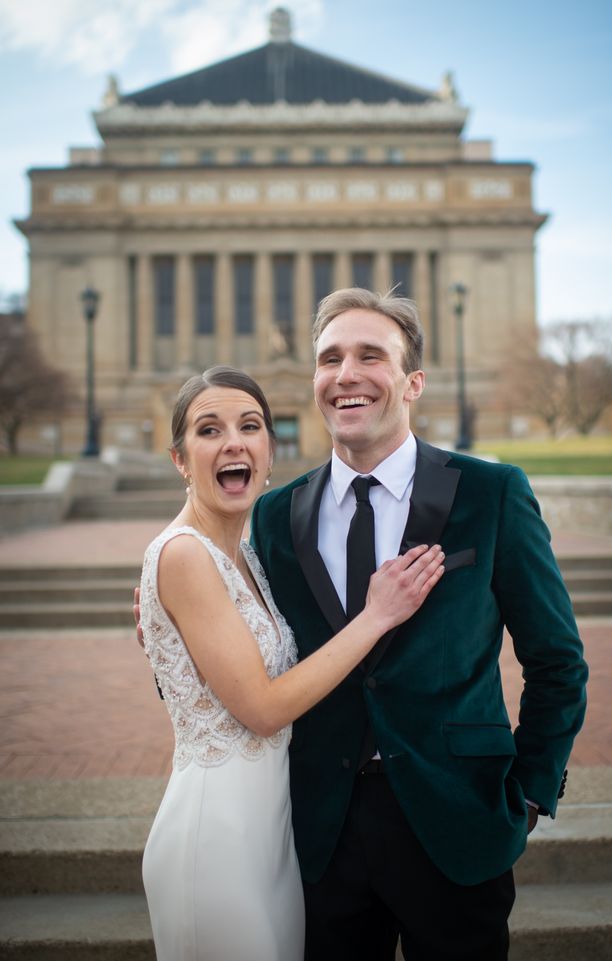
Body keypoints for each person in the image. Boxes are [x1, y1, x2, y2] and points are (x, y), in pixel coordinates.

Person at [249, 287, 588, 961]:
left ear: (413, 382)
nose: (346, 374)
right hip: (322, 831)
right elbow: (254, 659)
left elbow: (557, 661)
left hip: (458, 822)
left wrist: (527, 797)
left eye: (370, 355)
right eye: (330, 358)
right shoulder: (274, 515)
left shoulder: (491, 493)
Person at [137, 364, 445, 961]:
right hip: (218, 833)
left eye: (250, 425)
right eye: (208, 430)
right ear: (179, 459)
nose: (233, 441)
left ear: (269, 452)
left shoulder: (251, 555)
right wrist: (378, 615)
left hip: (277, 830)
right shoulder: (182, 556)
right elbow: (261, 708)